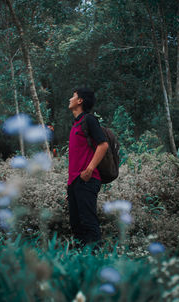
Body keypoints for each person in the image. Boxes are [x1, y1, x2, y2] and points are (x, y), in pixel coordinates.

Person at [67, 87, 108, 249]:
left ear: (80, 101)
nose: (70, 99)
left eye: (73, 96)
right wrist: (70, 184)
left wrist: (90, 168)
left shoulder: (89, 120)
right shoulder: (76, 124)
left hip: (87, 180)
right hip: (74, 182)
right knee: (76, 226)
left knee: (89, 223)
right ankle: (81, 264)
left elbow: (103, 145)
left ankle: (96, 262)